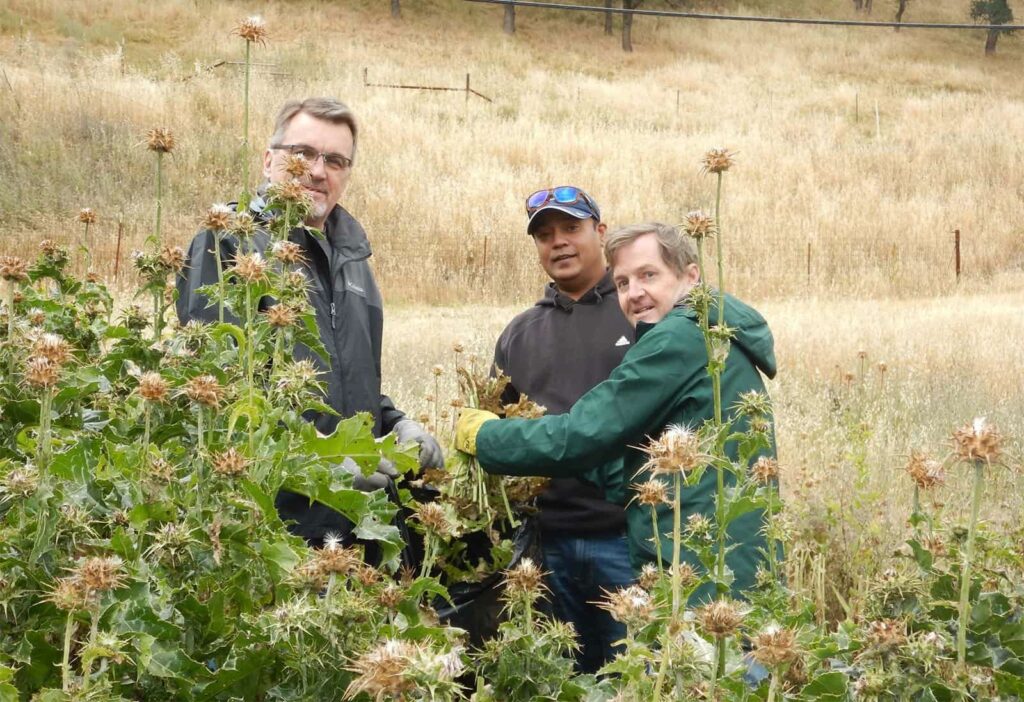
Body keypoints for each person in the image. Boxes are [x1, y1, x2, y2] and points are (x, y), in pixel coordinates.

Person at [456, 222, 777, 602]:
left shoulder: (678, 338)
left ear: (691, 276)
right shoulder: (710, 332)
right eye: (622, 283)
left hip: (701, 576)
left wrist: (484, 436)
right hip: (726, 565)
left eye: (648, 275)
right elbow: (639, 463)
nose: (634, 293)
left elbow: (581, 433)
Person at [176, 97, 443, 548]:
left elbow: (353, 381)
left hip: (357, 527)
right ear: (268, 160)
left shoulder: (355, 262)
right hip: (270, 530)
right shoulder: (229, 242)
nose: (318, 172)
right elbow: (212, 391)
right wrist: (318, 460)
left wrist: (396, 424)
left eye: (336, 160)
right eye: (302, 155)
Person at [491, 186, 636, 673]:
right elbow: (498, 427)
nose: (559, 243)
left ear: (600, 232)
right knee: (561, 677)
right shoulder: (520, 333)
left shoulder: (638, 312)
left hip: (628, 541)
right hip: (545, 545)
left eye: (571, 228)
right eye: (545, 235)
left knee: (639, 673)